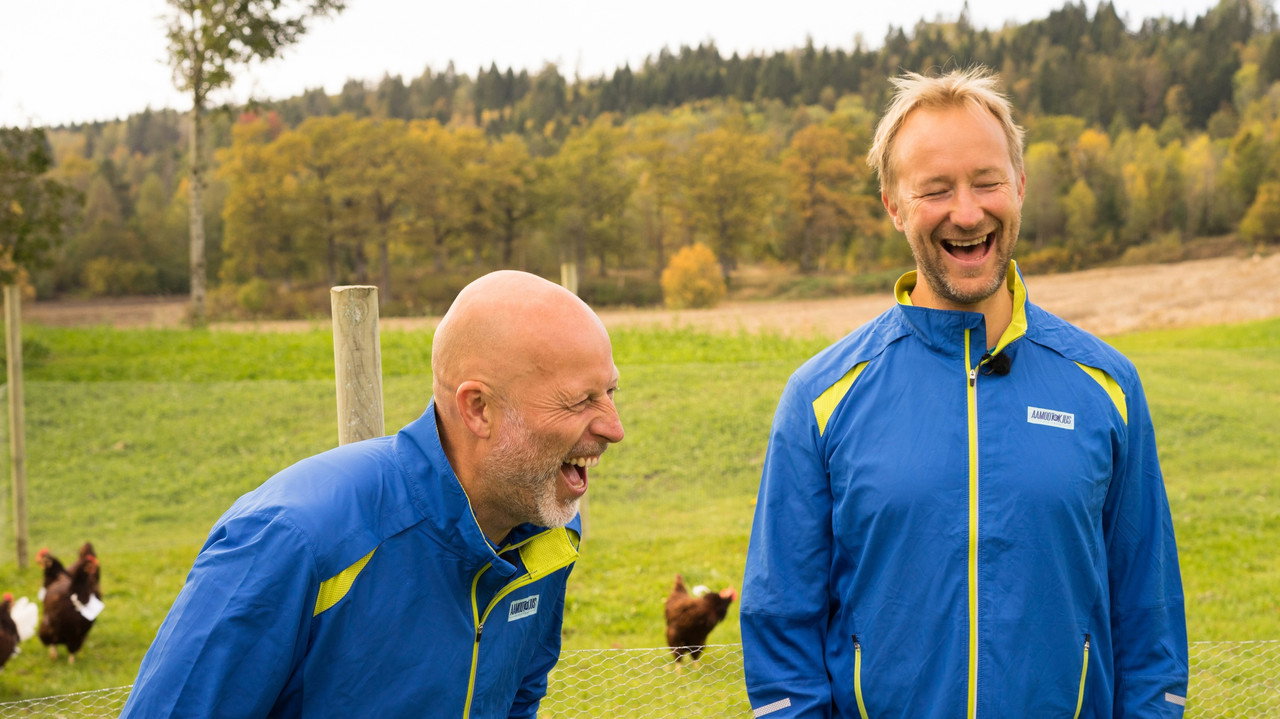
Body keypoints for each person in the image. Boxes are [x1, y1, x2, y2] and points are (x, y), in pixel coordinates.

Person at [740, 68, 1188, 718]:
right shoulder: (821, 400)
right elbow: (782, 633)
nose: (968, 211)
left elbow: (1150, 619)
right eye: (936, 189)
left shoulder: (1107, 389)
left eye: (987, 181)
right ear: (893, 205)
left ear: (1021, 187)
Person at [121, 270, 624, 718]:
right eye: (581, 400)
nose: (613, 428)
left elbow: (517, 700)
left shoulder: (548, 534)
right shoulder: (295, 539)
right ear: (479, 409)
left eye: (610, 393)